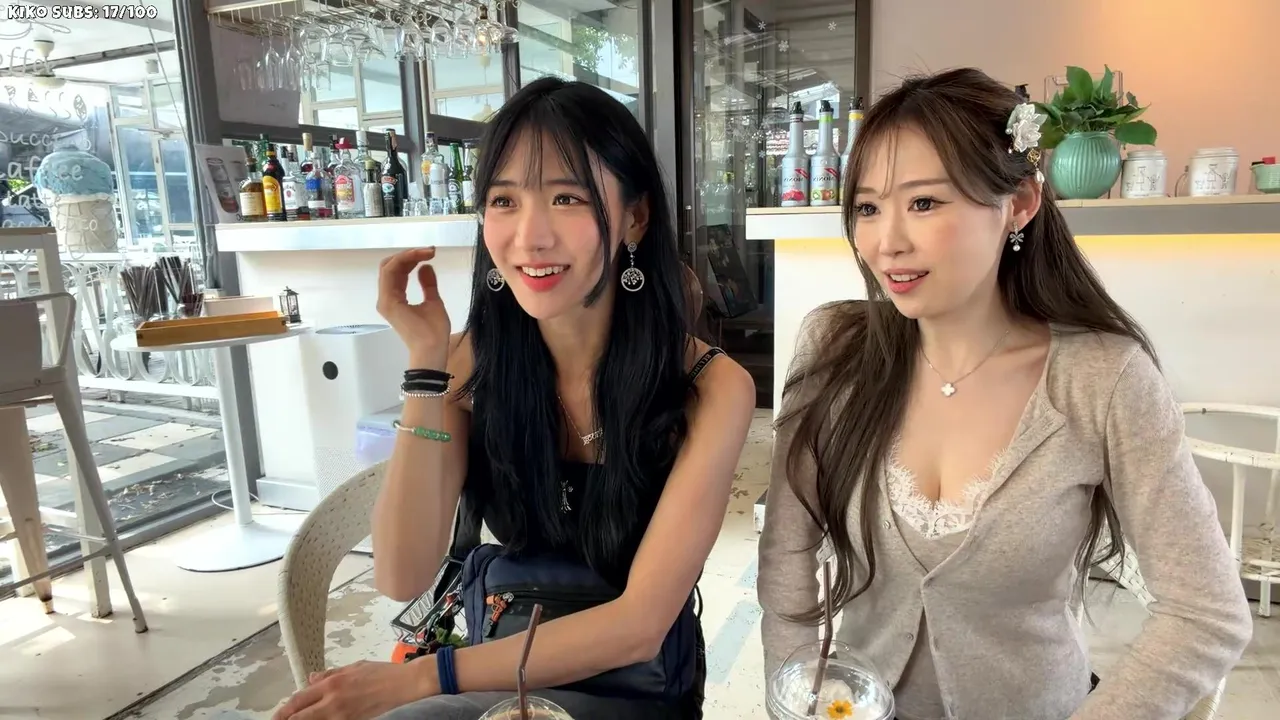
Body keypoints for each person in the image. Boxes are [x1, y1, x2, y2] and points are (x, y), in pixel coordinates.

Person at [758, 68, 1252, 720]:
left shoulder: (1104, 378)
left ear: (1019, 202)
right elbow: (787, 553)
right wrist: (797, 692)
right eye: (869, 208)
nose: (887, 242)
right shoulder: (836, 349)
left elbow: (1207, 612)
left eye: (924, 203)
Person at [273, 77, 757, 720]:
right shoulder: (469, 364)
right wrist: (426, 368)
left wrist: (421, 679)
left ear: (635, 217)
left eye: (567, 197)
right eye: (504, 200)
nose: (530, 237)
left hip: (635, 687)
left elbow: (639, 625)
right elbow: (400, 573)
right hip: (501, 668)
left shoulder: (710, 387)